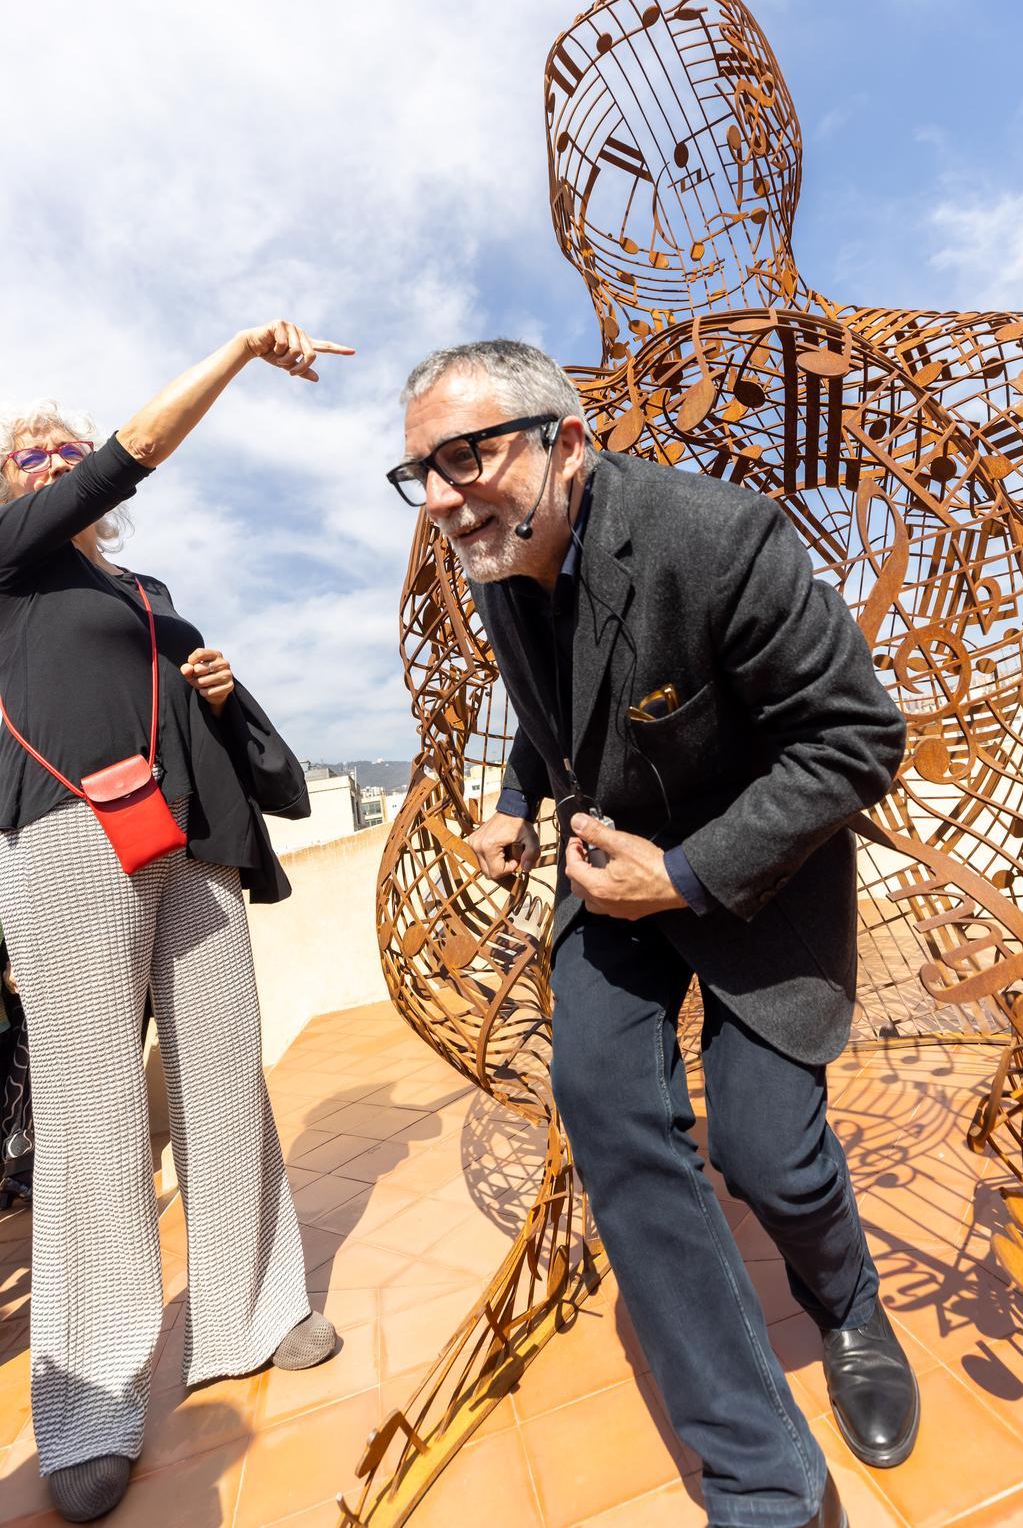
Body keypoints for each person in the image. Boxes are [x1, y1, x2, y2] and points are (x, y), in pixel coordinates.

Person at [392, 339, 918, 1528]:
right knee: (607, 1108)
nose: (438, 495)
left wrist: (682, 874)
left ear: (563, 442)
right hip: (609, 881)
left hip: (751, 878)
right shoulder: (498, 565)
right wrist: (521, 801)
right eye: (419, 469)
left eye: (464, 456)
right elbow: (556, 709)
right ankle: (763, 1478)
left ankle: (848, 1304)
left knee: (769, 1155)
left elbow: (856, 740)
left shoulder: (718, 539)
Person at [0, 321, 353, 1524]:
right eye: (31, 451)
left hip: (188, 840)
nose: (52, 461)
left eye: (58, 447)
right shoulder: (8, 559)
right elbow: (129, 451)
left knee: (220, 1079)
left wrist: (216, 678)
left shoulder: (147, 593)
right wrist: (239, 349)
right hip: (63, 837)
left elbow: (227, 728)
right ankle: (92, 1400)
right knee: (93, 1110)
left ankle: (254, 1312)